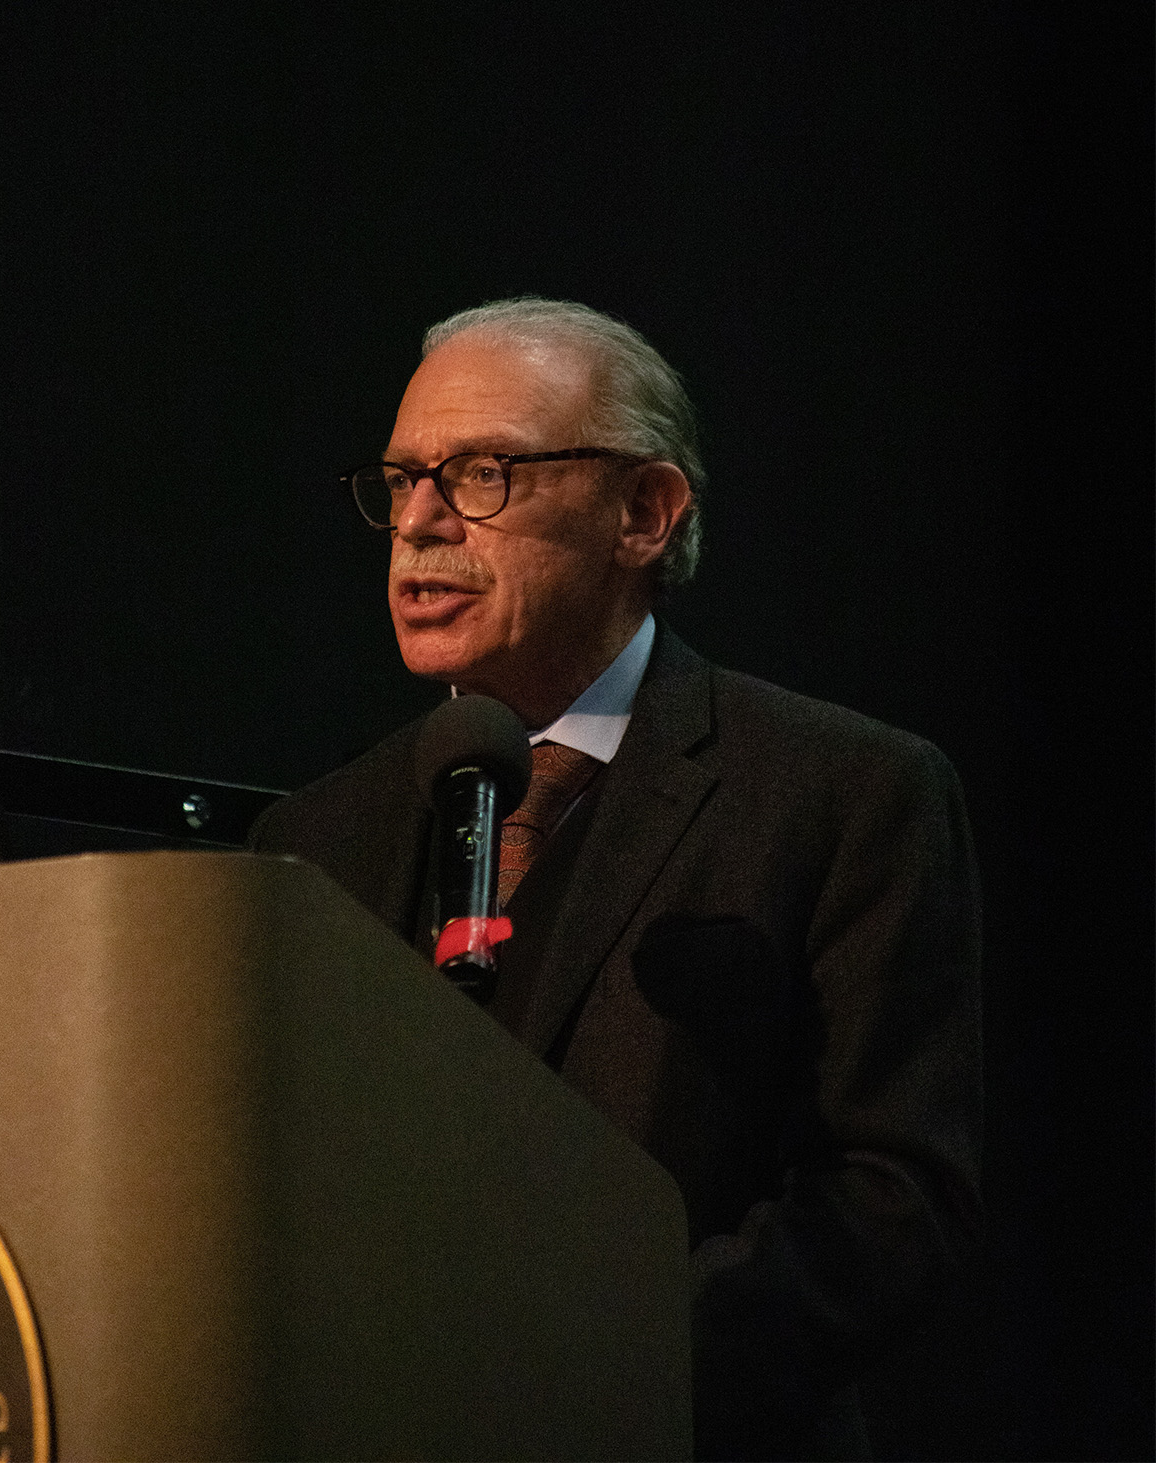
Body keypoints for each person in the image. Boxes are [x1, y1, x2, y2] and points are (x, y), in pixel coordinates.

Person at [251, 297, 982, 1461]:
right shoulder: (316, 833)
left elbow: (892, 1202)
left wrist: (591, 1365)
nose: (421, 522)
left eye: (482, 471)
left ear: (644, 512)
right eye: (399, 480)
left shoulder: (843, 790)